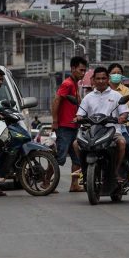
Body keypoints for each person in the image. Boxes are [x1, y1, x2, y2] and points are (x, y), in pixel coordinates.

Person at [77, 66, 129, 183]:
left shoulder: (116, 96)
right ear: (93, 80)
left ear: (108, 79)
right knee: (76, 144)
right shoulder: (88, 97)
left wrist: (121, 118)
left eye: (103, 78)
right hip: (92, 131)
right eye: (98, 78)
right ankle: (83, 169)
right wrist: (78, 118)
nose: (101, 81)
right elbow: (80, 113)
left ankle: (116, 171)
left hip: (112, 130)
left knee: (122, 143)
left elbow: (124, 112)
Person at [51, 56, 88, 192]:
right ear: (73, 69)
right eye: (80, 70)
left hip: (74, 127)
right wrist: (55, 121)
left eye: (84, 70)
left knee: (77, 157)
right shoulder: (67, 84)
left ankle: (74, 184)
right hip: (64, 127)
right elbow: (56, 101)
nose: (83, 73)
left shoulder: (75, 85)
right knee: (60, 157)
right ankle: (45, 182)